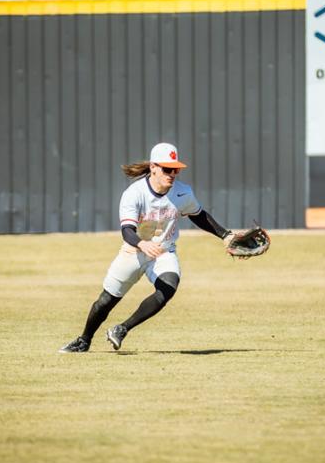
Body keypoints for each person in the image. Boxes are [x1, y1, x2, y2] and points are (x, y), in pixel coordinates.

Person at [59, 142, 233, 353]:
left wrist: (225, 235)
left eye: (175, 169)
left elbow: (199, 216)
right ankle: (84, 340)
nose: (172, 174)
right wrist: (142, 244)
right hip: (133, 251)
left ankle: (122, 329)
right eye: (166, 169)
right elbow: (127, 231)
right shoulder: (135, 193)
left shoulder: (182, 193)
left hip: (163, 251)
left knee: (168, 287)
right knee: (106, 301)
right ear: (153, 167)